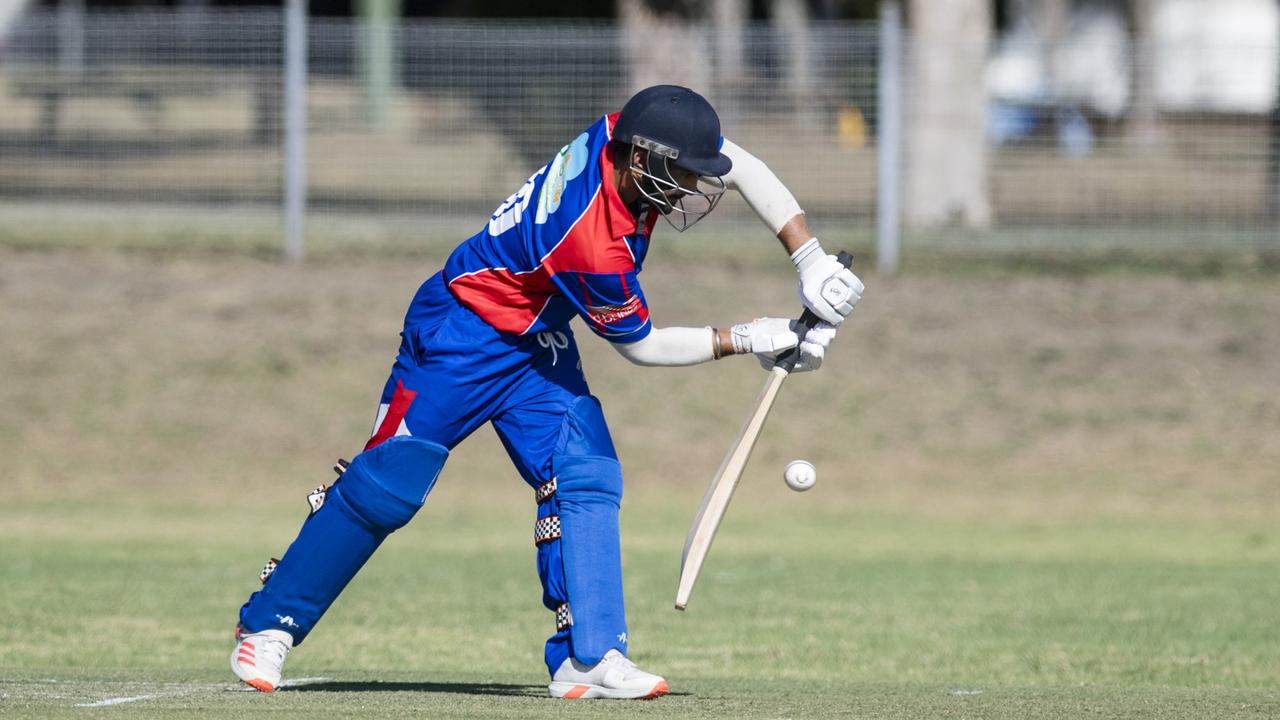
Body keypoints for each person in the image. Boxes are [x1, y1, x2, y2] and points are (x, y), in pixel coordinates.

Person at [229, 85, 864, 700]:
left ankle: (588, 658)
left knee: (585, 472)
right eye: (682, 174)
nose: (693, 188)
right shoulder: (589, 239)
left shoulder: (627, 132)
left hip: (534, 336)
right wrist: (749, 338)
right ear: (640, 160)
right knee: (388, 484)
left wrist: (808, 259)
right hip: (461, 332)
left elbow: (744, 167)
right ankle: (267, 624)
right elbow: (640, 348)